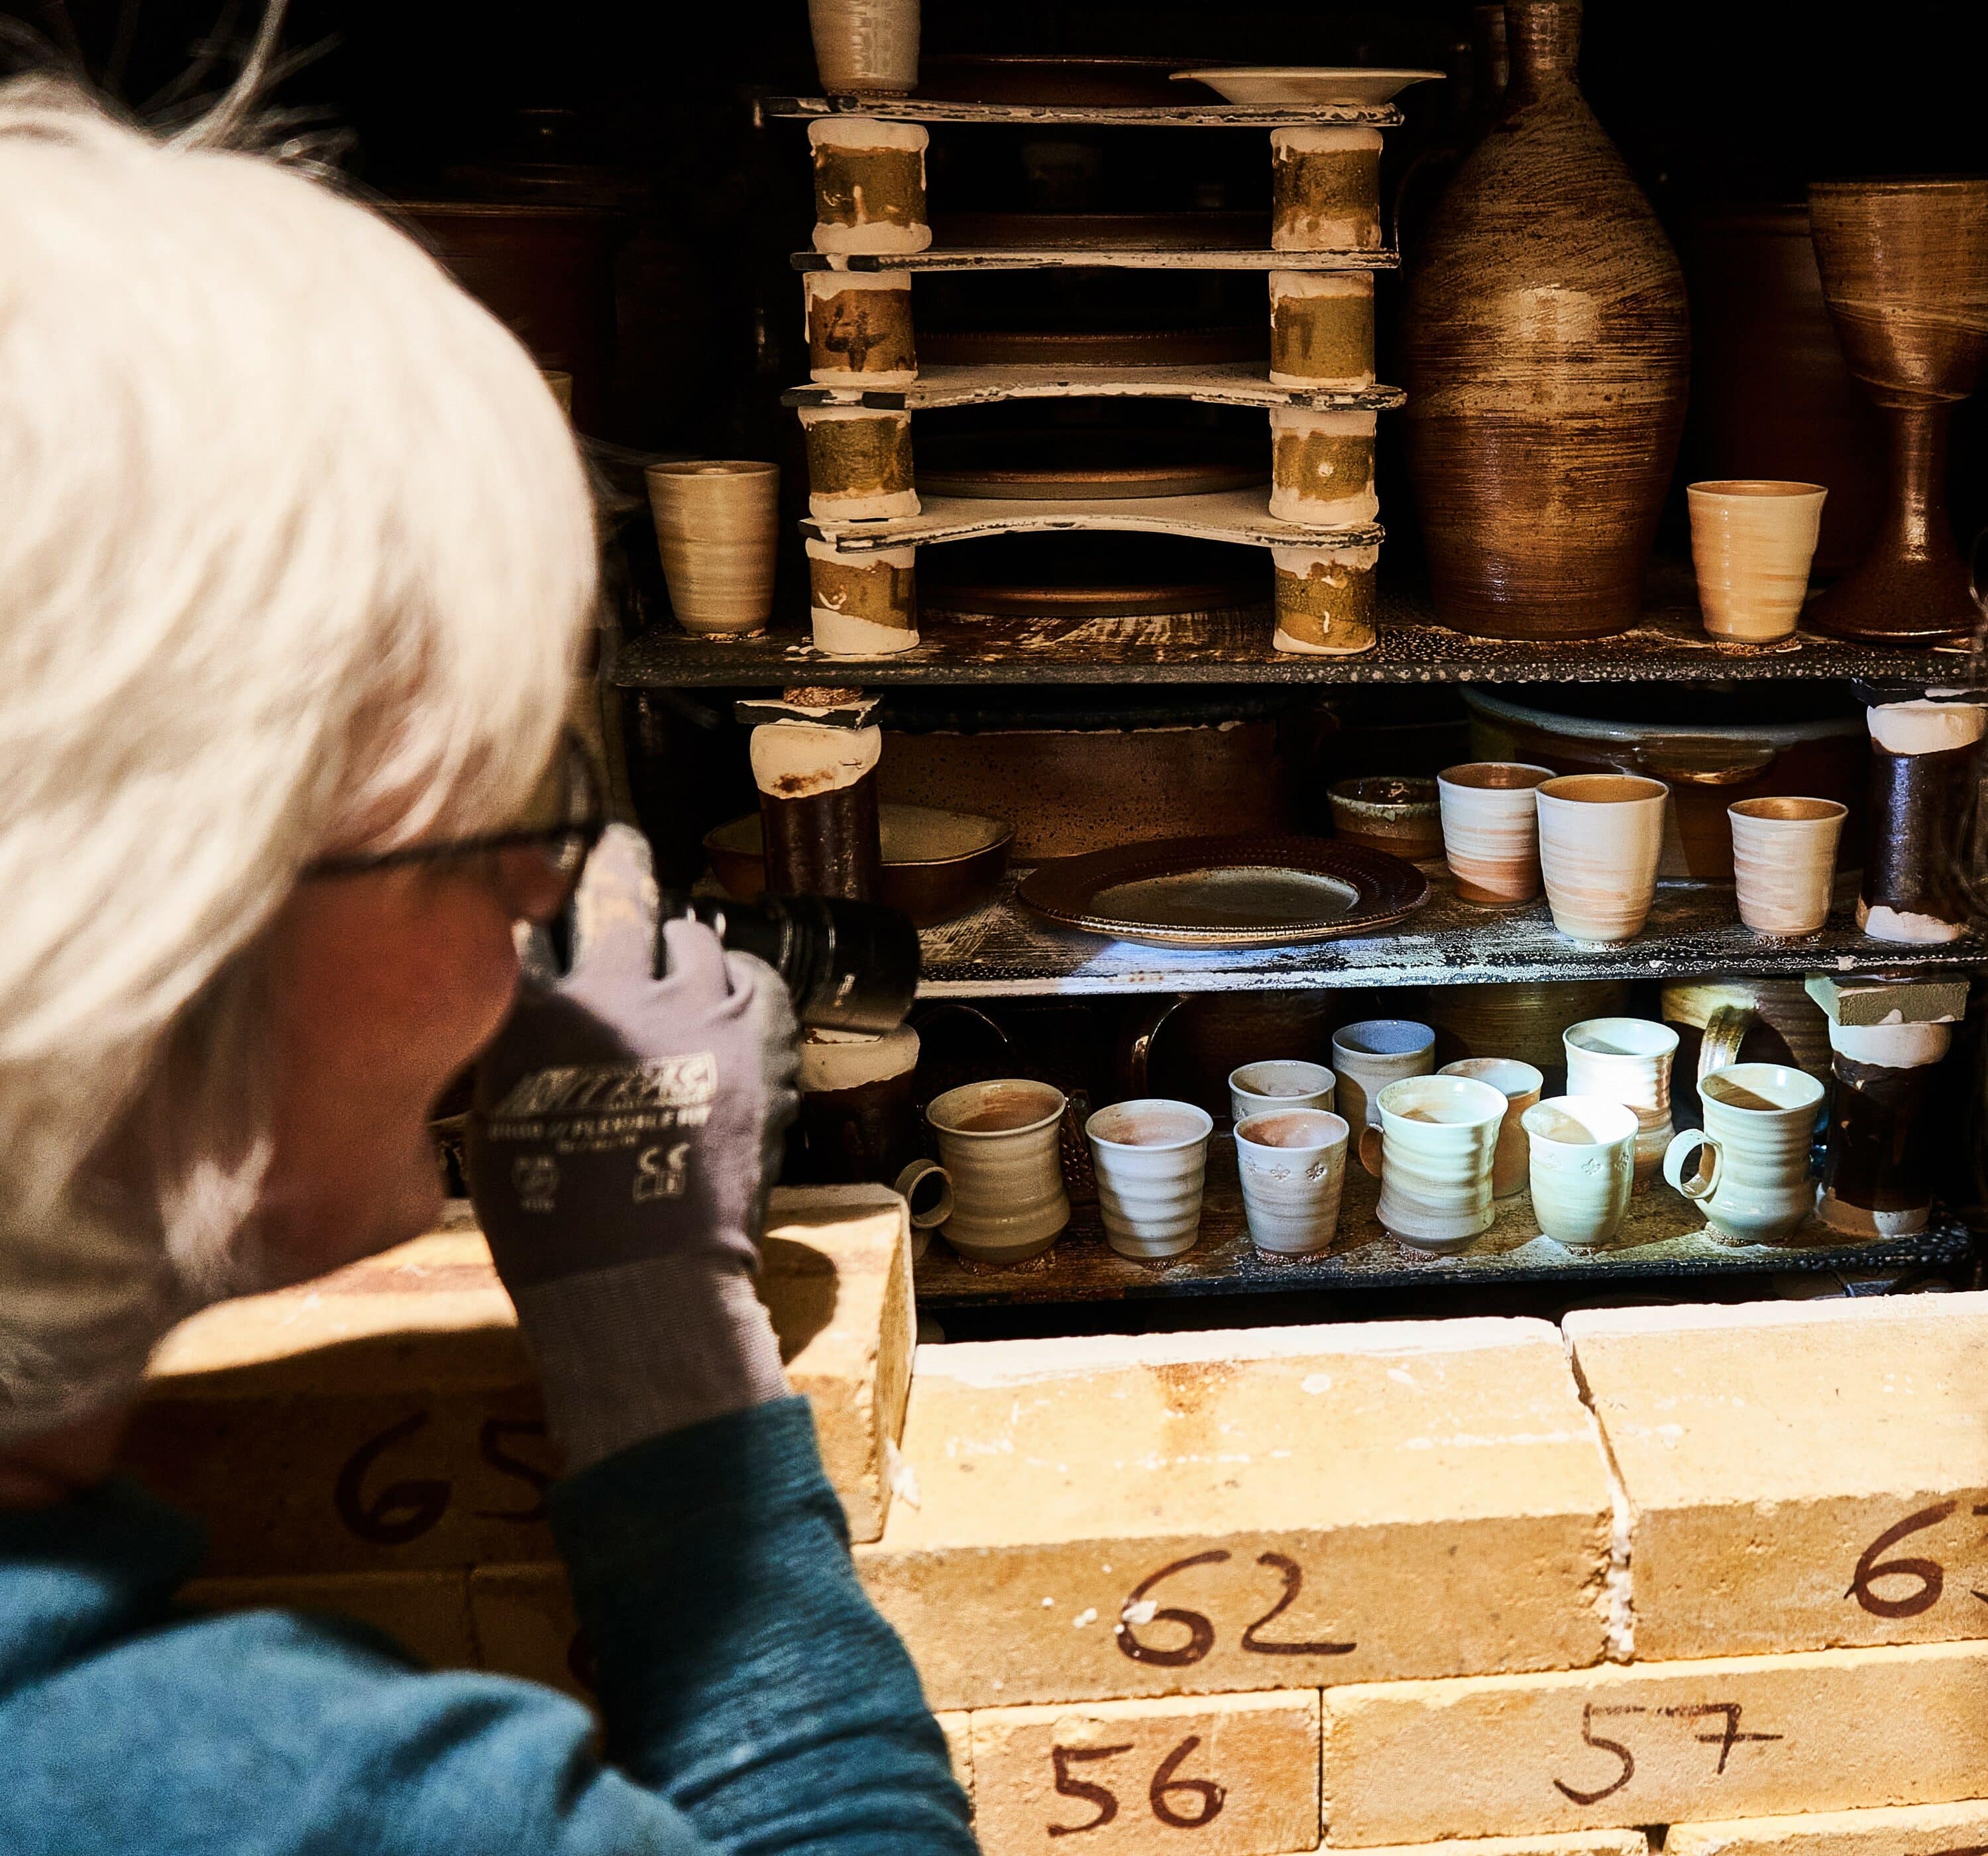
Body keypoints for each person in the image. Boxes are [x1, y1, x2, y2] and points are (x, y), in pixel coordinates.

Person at [0, 81, 975, 1856]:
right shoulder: (285, 1802)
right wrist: (655, 1328)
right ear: (159, 921)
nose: (543, 888)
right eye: (496, 825)